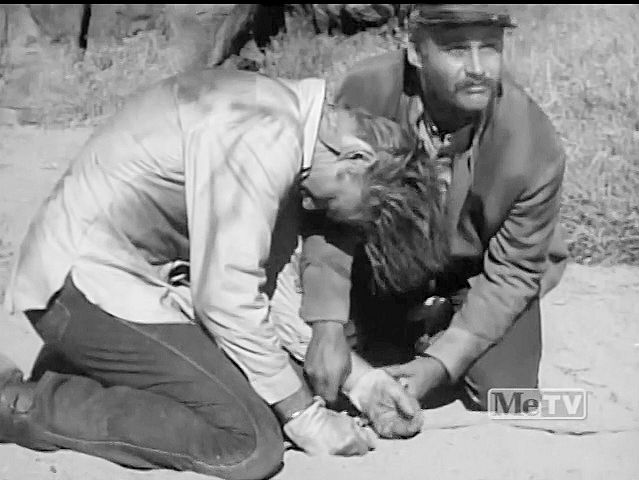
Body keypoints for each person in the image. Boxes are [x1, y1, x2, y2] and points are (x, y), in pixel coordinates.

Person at [0, 67, 445, 479]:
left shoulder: (283, 122)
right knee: (249, 442)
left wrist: (362, 382)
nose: (315, 207)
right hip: (83, 288)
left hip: (119, 284)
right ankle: (21, 406)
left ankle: (88, 368)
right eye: (334, 204)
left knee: (274, 388)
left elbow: (267, 295)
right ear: (357, 156)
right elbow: (226, 299)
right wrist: (304, 416)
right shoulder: (264, 138)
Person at [301, 4, 569, 411]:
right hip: (385, 263)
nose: (477, 68)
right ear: (415, 51)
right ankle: (396, 328)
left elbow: (514, 272)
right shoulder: (367, 91)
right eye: (457, 50)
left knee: (510, 397)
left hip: (475, 272)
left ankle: (442, 327)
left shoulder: (533, 142)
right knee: (323, 370)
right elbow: (330, 216)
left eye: (490, 47)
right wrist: (327, 324)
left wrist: (439, 364)